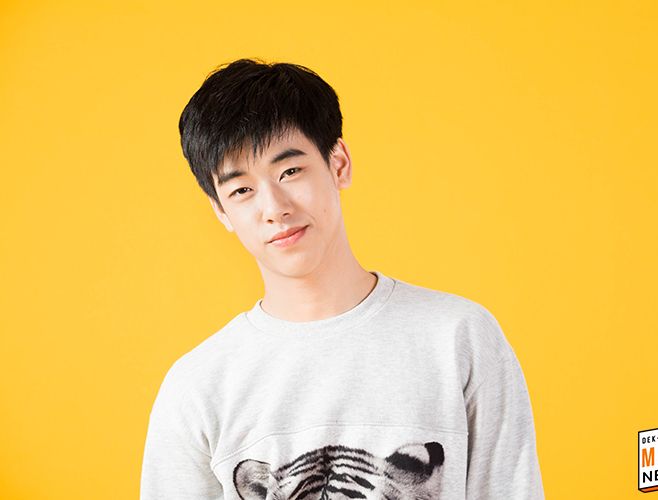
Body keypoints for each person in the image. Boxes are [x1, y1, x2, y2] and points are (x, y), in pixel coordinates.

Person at [140, 58, 544, 499]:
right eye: (242, 190)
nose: (274, 208)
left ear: (339, 164)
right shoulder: (196, 387)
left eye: (290, 171)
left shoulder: (459, 338)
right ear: (221, 211)